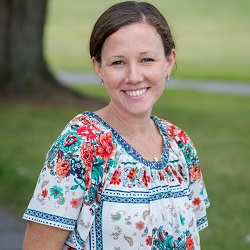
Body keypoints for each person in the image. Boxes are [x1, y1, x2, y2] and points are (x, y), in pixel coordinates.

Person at [22, 1, 209, 249]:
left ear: (169, 61)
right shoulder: (81, 143)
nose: (133, 76)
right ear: (98, 68)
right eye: (118, 62)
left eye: (147, 59)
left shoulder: (180, 144)